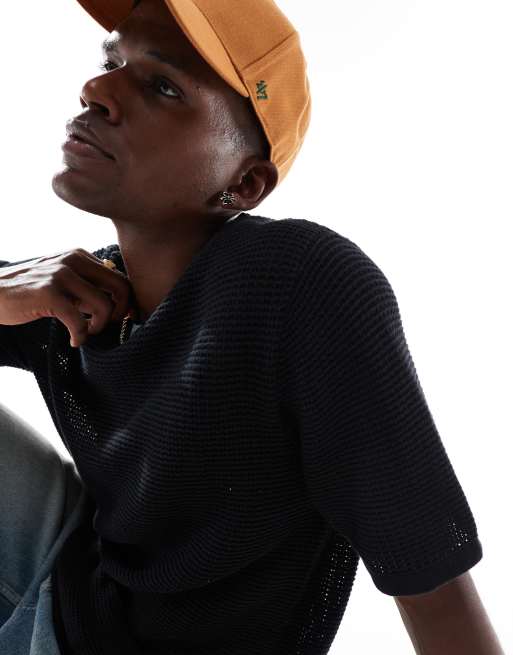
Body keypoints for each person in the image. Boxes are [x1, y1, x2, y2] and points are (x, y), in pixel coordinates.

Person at [0, 0, 504, 654]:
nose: (96, 89)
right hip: (59, 593)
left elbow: (431, 581)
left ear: (244, 184)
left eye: (162, 86)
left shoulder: (294, 285)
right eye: (112, 61)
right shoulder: (82, 294)